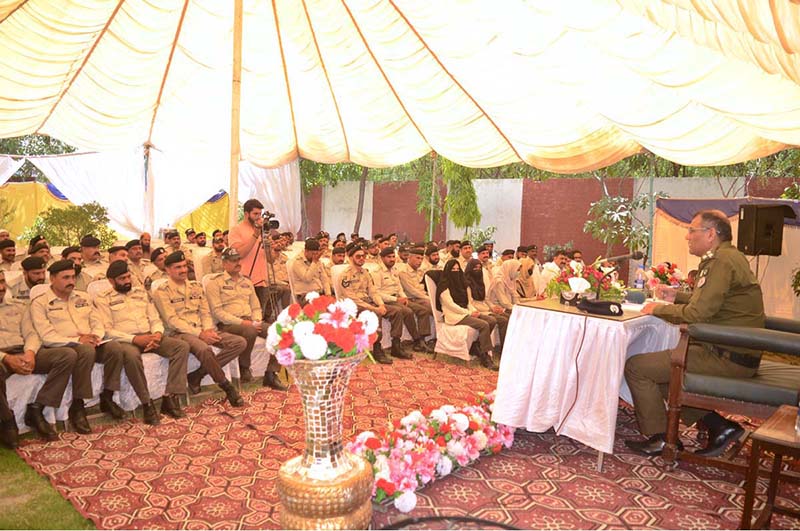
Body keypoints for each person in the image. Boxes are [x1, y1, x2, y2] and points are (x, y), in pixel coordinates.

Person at [624, 210, 766, 458]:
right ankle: (720, 427)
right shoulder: (729, 256)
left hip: (726, 355)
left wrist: (657, 308)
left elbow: (698, 313)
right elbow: (716, 303)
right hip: (733, 350)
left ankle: (661, 438)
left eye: (692, 231)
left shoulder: (720, 261)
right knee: (661, 372)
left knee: (638, 367)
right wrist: (676, 296)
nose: (687, 237)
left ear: (710, 234)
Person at [30, 260, 128, 433]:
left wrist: (96, 336)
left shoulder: (83, 297)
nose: (71, 281)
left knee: (115, 348)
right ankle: (78, 405)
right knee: (85, 351)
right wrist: (78, 340)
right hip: (61, 346)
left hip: (90, 341)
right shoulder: (40, 303)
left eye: (73, 277)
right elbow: (46, 336)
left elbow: (96, 321)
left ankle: (108, 396)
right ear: (52, 278)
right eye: (65, 277)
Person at [94, 261, 190, 424]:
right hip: (126, 340)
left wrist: (157, 334)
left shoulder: (140, 293)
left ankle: (169, 397)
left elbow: (154, 319)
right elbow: (107, 331)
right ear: (111, 281)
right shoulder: (103, 299)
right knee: (131, 356)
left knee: (181, 347)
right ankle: (147, 404)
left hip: (150, 336)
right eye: (121, 279)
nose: (126, 281)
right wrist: (135, 339)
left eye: (128, 277)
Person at [151, 251, 245, 406]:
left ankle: (197, 374)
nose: (183, 270)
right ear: (167, 270)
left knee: (239, 342)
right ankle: (227, 387)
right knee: (204, 349)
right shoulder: (162, 291)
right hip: (180, 333)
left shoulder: (196, 286)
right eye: (177, 267)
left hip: (203, 329)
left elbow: (205, 312)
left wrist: (207, 329)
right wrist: (200, 334)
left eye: (184, 266)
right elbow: (172, 320)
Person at [0, 270, 77, 446]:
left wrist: (30, 353)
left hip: (24, 351)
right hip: (2, 357)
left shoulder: (18, 306)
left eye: (3, 282)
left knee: (67, 355)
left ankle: (37, 409)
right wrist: (6, 358)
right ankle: (7, 421)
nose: (1, 287)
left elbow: (31, 333)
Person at [205, 247, 287, 390]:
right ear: (224, 264)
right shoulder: (215, 282)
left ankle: (271, 373)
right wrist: (245, 322)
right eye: (232, 260)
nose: (237, 263)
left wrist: (255, 320)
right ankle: (244, 368)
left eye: (238, 259)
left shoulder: (246, 282)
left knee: (280, 332)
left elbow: (256, 306)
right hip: (229, 323)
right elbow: (217, 312)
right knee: (250, 330)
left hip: (250, 320)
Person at [435, 260, 496, 369]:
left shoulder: (463, 284)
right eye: (453, 270)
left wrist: (473, 311)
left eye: (457, 269)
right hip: (454, 316)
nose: (455, 272)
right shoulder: (444, 286)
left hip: (466, 312)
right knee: (484, 325)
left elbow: (469, 302)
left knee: (492, 320)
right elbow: (451, 305)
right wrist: (469, 313)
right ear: (447, 271)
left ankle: (476, 345)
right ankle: (485, 356)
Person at [339, 245, 392, 364]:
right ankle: (377, 348)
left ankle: (397, 345)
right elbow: (352, 298)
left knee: (397, 311)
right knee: (374, 314)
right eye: (358, 256)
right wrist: (374, 308)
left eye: (363, 256)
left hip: (367, 302)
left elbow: (373, 291)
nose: (362, 258)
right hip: (352, 305)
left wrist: (381, 304)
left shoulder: (365, 273)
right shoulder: (345, 275)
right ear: (350, 257)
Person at [373, 247, 431, 356]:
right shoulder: (377, 272)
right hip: (387, 300)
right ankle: (404, 343)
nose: (392, 259)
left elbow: (399, 287)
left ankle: (420, 340)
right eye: (388, 257)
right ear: (382, 258)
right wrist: (396, 299)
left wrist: (403, 297)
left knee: (422, 310)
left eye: (393, 256)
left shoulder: (394, 270)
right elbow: (377, 293)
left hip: (398, 299)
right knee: (407, 312)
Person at [464, 259, 508, 349]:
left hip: (485, 308)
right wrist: (487, 310)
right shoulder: (467, 284)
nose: (478, 270)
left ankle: (505, 346)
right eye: (475, 268)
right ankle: (502, 349)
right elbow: (470, 302)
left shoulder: (480, 282)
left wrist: (493, 307)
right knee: (503, 320)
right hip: (477, 310)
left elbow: (485, 299)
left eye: (479, 268)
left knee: (506, 316)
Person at [290, 238, 330, 303]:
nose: (315, 256)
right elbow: (307, 278)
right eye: (313, 254)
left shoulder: (317, 261)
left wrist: (328, 294)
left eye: (316, 254)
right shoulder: (297, 262)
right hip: (305, 296)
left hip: (319, 293)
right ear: (306, 251)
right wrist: (314, 262)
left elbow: (324, 279)